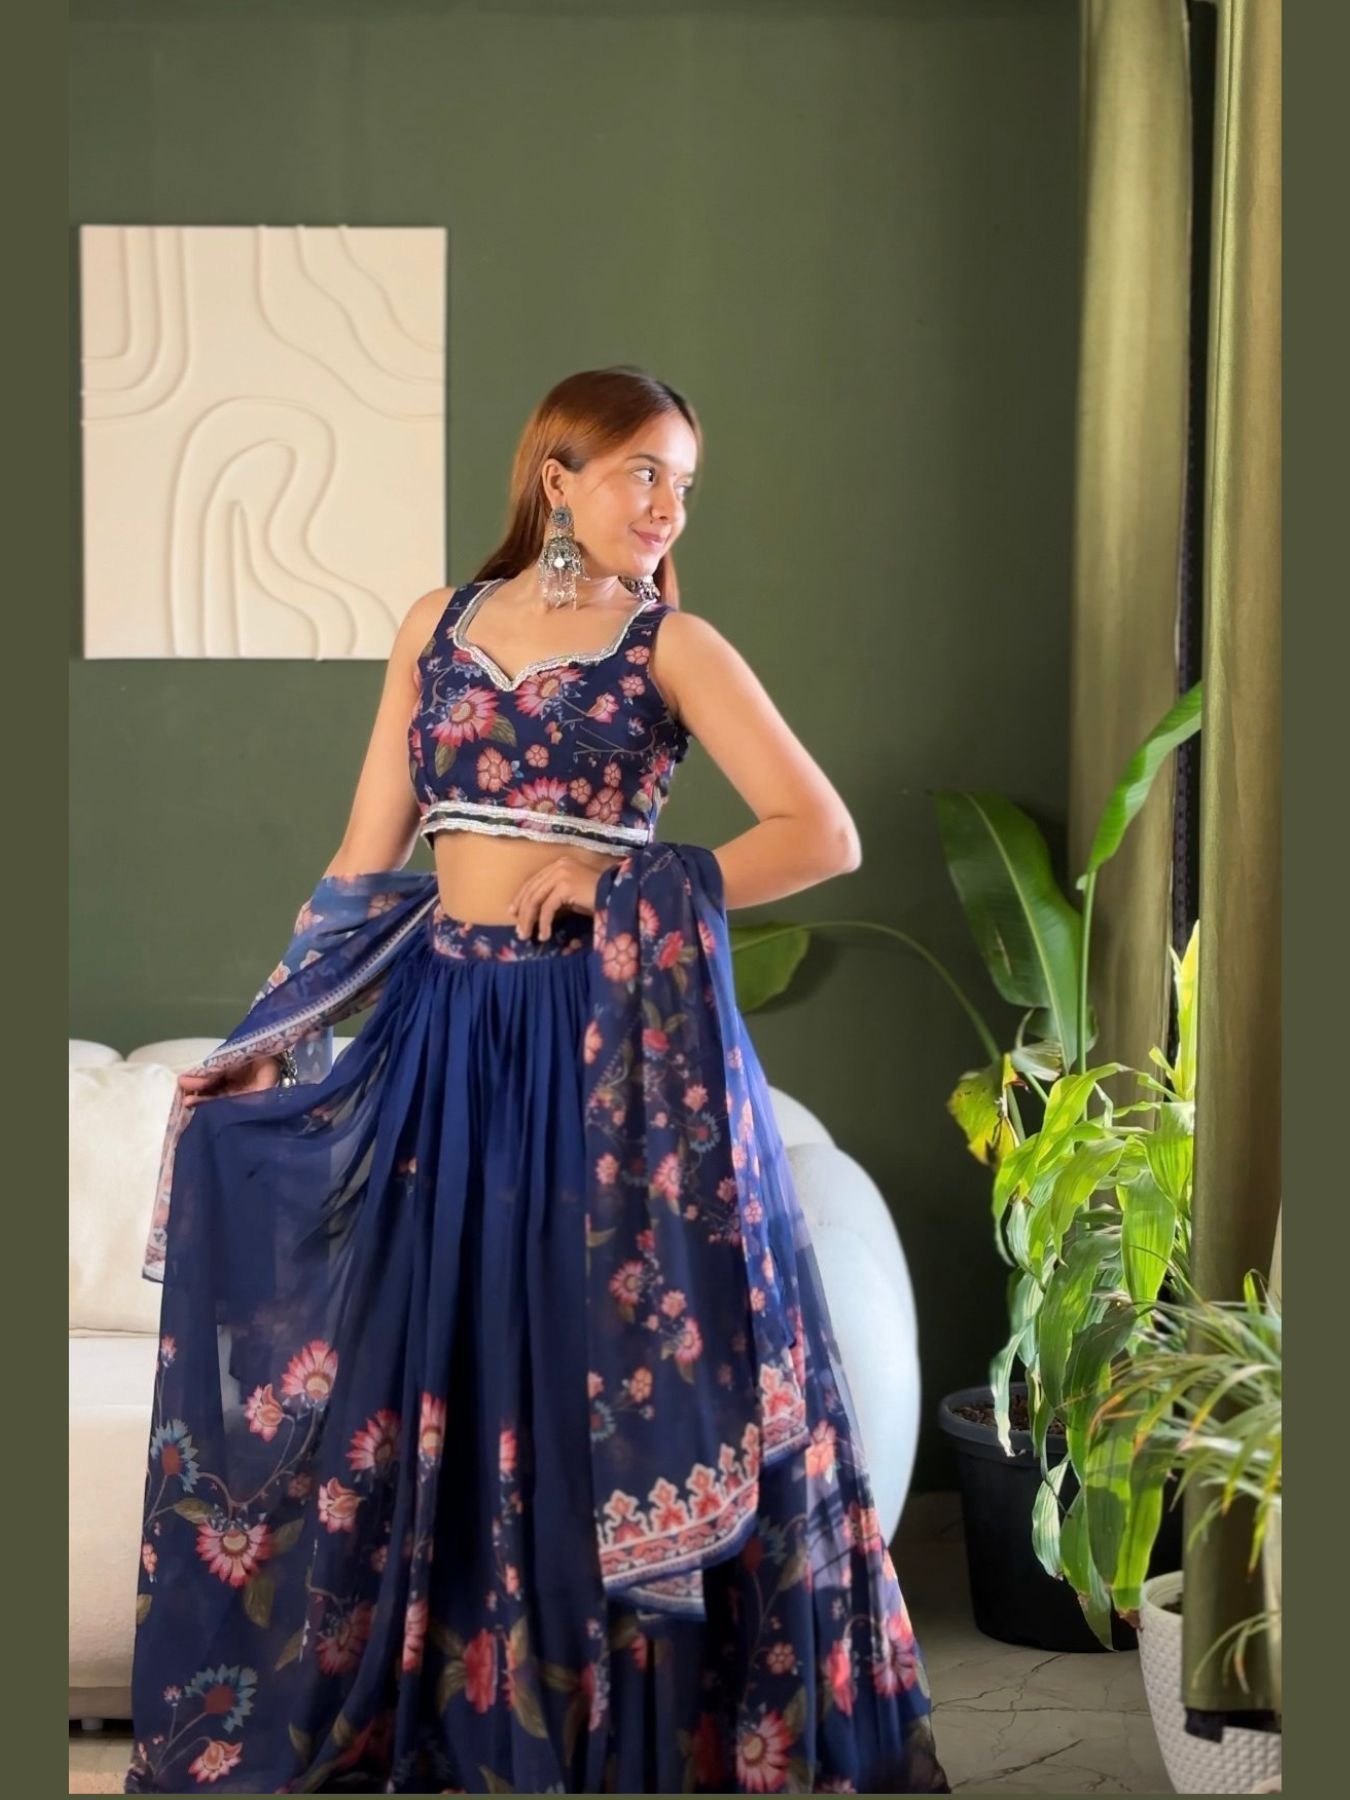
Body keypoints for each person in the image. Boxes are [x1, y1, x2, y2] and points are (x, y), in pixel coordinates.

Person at [122, 366, 949, 1795]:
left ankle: (613, 1736)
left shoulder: (671, 646)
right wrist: (271, 1023)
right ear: (558, 477)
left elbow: (821, 832)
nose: (667, 506)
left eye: (684, 483)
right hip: (444, 1044)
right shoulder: (434, 630)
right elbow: (363, 858)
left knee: (587, 1382)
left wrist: (622, 876)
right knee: (430, 1369)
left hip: (604, 1054)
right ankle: (453, 1721)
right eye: (643, 473)